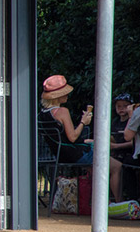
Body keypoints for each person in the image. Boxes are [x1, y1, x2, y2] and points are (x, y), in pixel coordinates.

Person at [40, 73, 124, 201]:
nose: (67, 95)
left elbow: (61, 138)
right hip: (74, 154)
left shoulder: (42, 114)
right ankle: (118, 202)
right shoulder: (62, 111)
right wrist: (83, 122)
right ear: (57, 95)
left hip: (60, 154)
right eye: (65, 93)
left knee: (95, 162)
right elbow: (72, 137)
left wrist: (86, 140)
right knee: (117, 166)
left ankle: (98, 201)